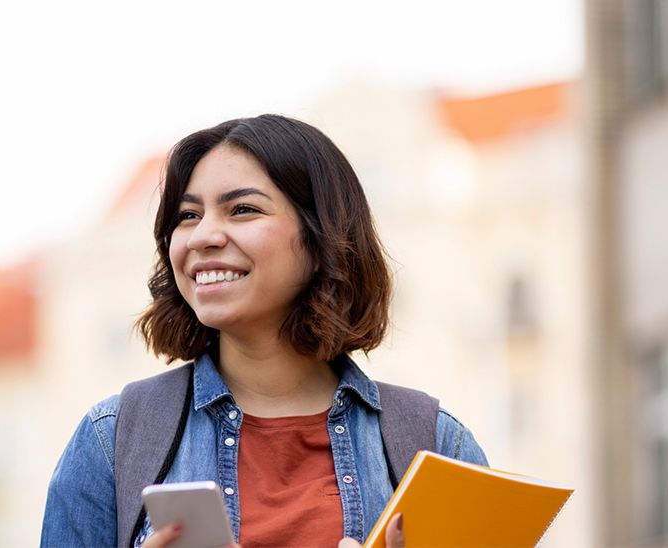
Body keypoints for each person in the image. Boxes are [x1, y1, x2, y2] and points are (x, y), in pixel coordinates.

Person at [39, 115, 488, 547]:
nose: (202, 236)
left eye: (242, 210)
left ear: (322, 237)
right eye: (188, 215)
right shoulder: (110, 439)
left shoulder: (438, 447)